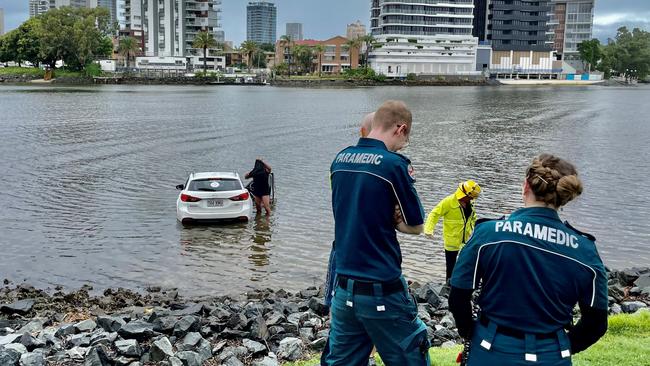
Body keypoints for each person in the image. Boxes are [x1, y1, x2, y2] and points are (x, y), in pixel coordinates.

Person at [448, 154, 608, 366]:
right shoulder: (586, 251)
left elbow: (458, 295)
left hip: (490, 349)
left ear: (525, 186)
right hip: (551, 355)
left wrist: (470, 333)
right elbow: (596, 322)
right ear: (564, 198)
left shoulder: (489, 234)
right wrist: (562, 346)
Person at [325, 101, 429, 366]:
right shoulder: (394, 165)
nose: (403, 145)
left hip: (344, 285)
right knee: (411, 357)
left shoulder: (340, 160)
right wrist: (395, 222)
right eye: (405, 139)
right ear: (400, 128)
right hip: (382, 286)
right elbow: (417, 224)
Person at [321, 112, 376, 366]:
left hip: (345, 253)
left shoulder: (341, 161)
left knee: (342, 318)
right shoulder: (384, 165)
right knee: (345, 320)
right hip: (357, 257)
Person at [424, 180, 481, 282]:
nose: (472, 199)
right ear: (465, 194)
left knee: (466, 265)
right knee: (450, 268)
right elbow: (434, 214)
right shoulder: (449, 202)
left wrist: (478, 231)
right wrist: (429, 229)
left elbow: (473, 218)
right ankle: (448, 287)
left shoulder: (470, 204)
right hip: (452, 242)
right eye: (471, 197)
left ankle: (463, 285)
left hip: (466, 240)